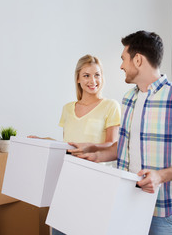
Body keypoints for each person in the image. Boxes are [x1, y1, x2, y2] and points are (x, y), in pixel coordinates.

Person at [68, 31, 172, 235]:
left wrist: (160, 176)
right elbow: (123, 147)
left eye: (123, 59)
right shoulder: (128, 99)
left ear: (138, 59)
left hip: (162, 213)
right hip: (126, 204)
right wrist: (96, 154)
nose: (121, 66)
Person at [47, 54, 120, 235]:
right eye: (86, 75)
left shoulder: (111, 106)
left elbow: (113, 144)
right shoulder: (67, 108)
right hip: (68, 178)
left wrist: (90, 146)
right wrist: (44, 143)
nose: (92, 80)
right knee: (60, 229)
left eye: (97, 75)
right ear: (78, 79)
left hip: (96, 181)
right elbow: (68, 145)